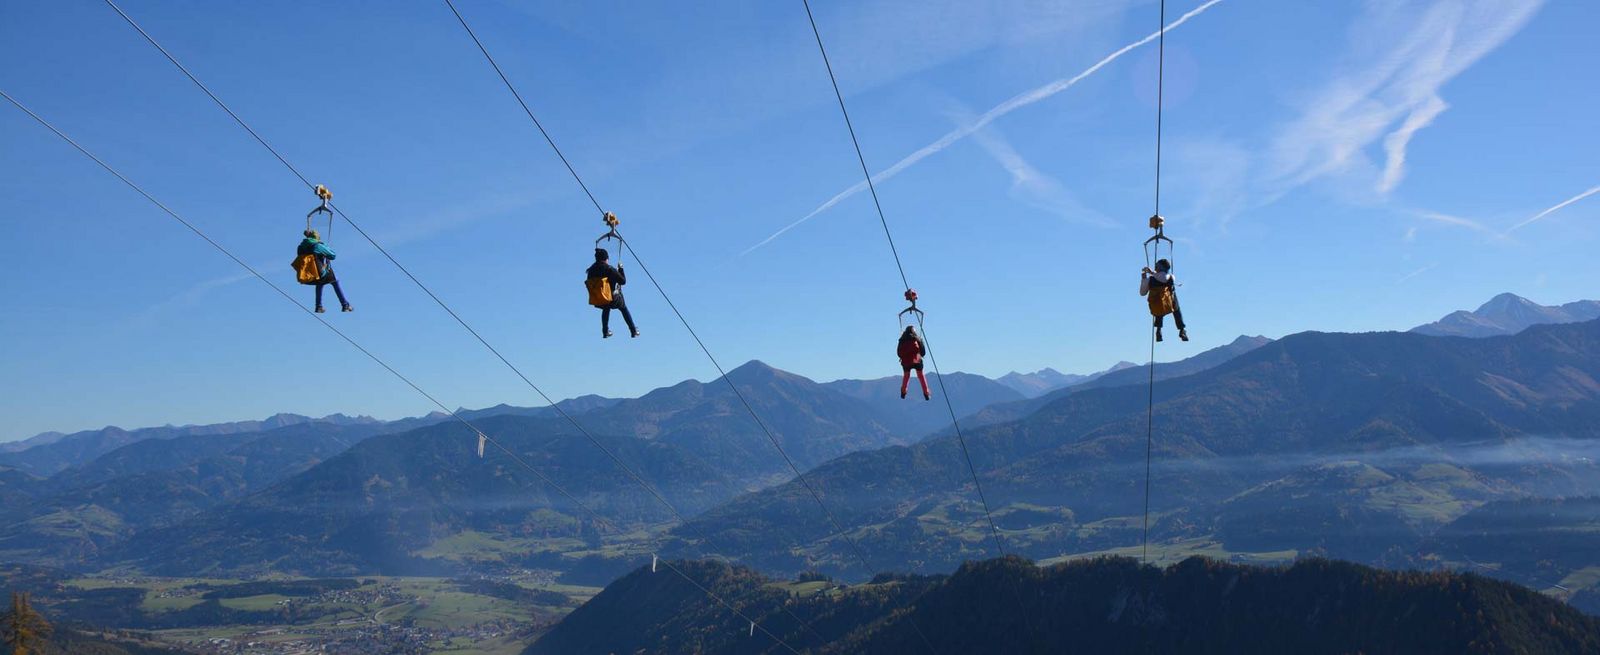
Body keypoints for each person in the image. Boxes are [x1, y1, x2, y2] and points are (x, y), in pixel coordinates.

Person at [587, 248, 638, 338]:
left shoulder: (590, 271)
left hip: (598, 299)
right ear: (605, 258)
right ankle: (633, 330)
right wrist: (621, 269)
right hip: (612, 299)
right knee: (623, 307)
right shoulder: (609, 269)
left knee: (606, 307)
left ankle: (605, 331)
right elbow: (623, 281)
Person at [299, 229, 351, 313]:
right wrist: (325, 247)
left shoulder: (301, 247)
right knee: (335, 281)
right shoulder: (317, 246)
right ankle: (345, 305)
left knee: (320, 282)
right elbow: (333, 256)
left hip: (309, 275)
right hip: (321, 272)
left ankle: (319, 306)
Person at [1140, 258, 1186, 342]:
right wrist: (1152, 273)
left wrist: (1144, 278)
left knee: (1159, 305)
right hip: (1170, 304)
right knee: (1176, 308)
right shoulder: (1171, 277)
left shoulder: (1150, 279)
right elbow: (1163, 277)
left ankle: (1158, 329)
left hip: (1157, 306)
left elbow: (1142, 293)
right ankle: (1182, 329)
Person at [898, 326, 930, 400]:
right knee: (921, 376)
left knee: (906, 376)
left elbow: (899, 353)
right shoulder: (917, 339)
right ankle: (926, 394)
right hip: (917, 360)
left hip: (906, 362)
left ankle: (903, 392)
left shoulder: (902, 340)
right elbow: (923, 352)